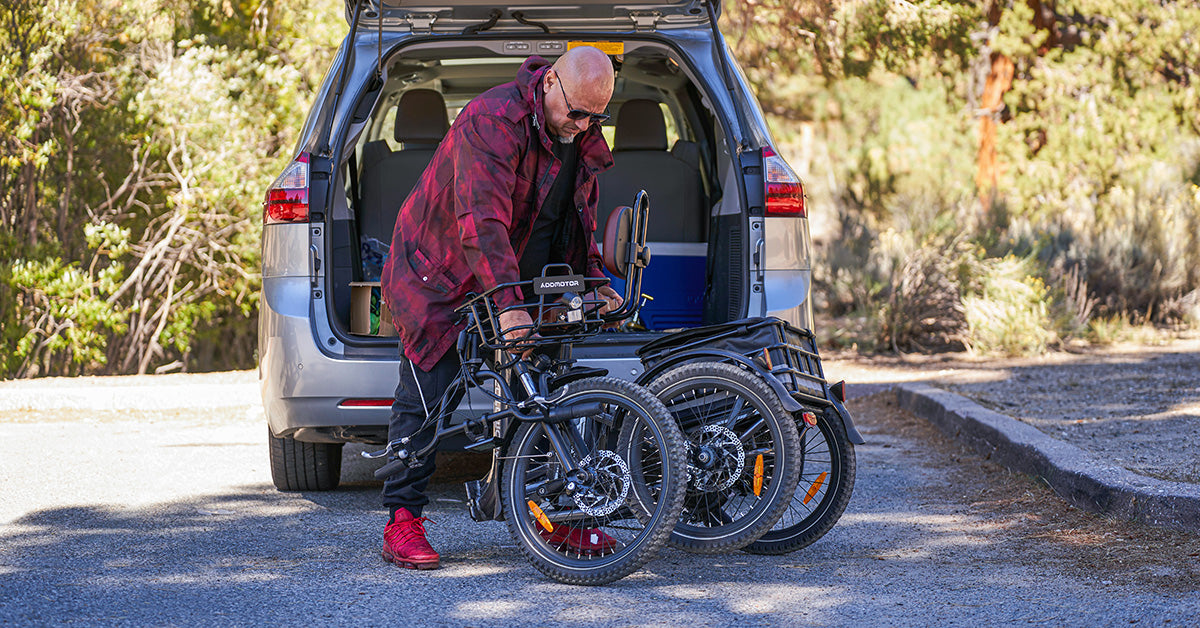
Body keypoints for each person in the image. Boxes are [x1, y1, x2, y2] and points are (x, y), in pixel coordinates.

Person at [377, 46, 624, 570]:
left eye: (594, 117)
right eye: (576, 112)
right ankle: (402, 521)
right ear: (551, 83)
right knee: (426, 395)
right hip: (441, 274)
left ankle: (553, 516)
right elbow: (480, 222)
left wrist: (594, 279)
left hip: (518, 278)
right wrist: (509, 309)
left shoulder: (577, 132)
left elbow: (577, 216)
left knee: (542, 394)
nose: (581, 126)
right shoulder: (492, 120)